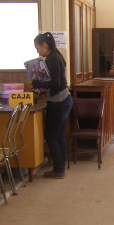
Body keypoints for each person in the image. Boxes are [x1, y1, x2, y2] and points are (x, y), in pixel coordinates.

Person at [32, 32, 72, 179]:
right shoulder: (55, 56)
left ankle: (59, 169)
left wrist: (39, 83)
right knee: (59, 135)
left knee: (51, 136)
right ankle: (61, 165)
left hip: (58, 101)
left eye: (37, 48)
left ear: (44, 45)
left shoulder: (52, 59)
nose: (37, 51)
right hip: (63, 99)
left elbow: (54, 83)